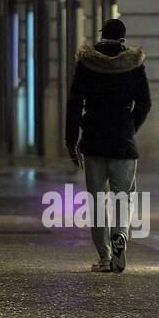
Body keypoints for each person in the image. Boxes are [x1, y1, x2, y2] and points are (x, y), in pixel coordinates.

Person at [64, 18, 152, 273]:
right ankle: (120, 235)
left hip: (93, 140)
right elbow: (145, 103)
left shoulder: (87, 63)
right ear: (123, 37)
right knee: (123, 196)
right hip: (123, 142)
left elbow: (73, 104)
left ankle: (104, 258)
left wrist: (72, 140)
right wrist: (129, 128)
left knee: (97, 200)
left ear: (102, 35)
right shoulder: (133, 64)